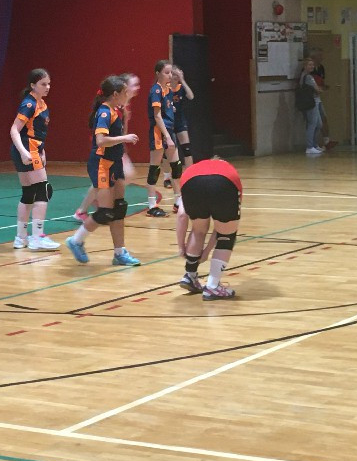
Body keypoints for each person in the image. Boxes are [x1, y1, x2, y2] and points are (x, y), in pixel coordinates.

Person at [65, 75, 142, 267]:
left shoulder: (116, 110)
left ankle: (120, 253)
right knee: (106, 212)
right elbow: (100, 140)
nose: (128, 95)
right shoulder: (105, 112)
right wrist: (124, 138)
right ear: (115, 94)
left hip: (115, 162)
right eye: (125, 92)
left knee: (119, 207)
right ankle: (76, 240)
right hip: (102, 164)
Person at [176, 158, 243, 300]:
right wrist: (207, 251)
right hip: (224, 182)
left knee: (198, 230)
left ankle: (190, 275)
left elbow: (182, 215)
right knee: (227, 235)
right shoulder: (229, 170)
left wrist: (181, 246)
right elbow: (221, 228)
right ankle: (213, 286)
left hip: (191, 183)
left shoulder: (192, 170)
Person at [9, 69, 60, 251]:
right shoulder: (29, 104)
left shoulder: (41, 104)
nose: (47, 87)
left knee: (29, 193)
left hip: (33, 148)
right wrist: (24, 152)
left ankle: (21, 237)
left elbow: (35, 131)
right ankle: (37, 237)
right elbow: (14, 130)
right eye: (43, 84)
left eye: (48, 83)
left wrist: (42, 150)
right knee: (43, 190)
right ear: (32, 85)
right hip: (27, 149)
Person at [145, 61, 182, 217]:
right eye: (166, 72)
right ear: (158, 73)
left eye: (171, 72)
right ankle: (151, 205)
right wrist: (167, 136)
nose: (170, 75)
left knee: (176, 166)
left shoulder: (167, 89)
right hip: (159, 132)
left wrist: (170, 108)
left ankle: (178, 202)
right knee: (155, 169)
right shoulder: (156, 90)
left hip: (169, 130)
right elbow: (157, 116)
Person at [300, 57, 325, 155]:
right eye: (309, 65)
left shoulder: (306, 76)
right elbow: (317, 89)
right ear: (305, 66)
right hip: (311, 102)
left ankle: (314, 144)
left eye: (313, 65)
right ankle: (309, 146)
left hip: (314, 102)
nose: (312, 66)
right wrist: (321, 89)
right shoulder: (308, 77)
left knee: (319, 124)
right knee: (312, 124)